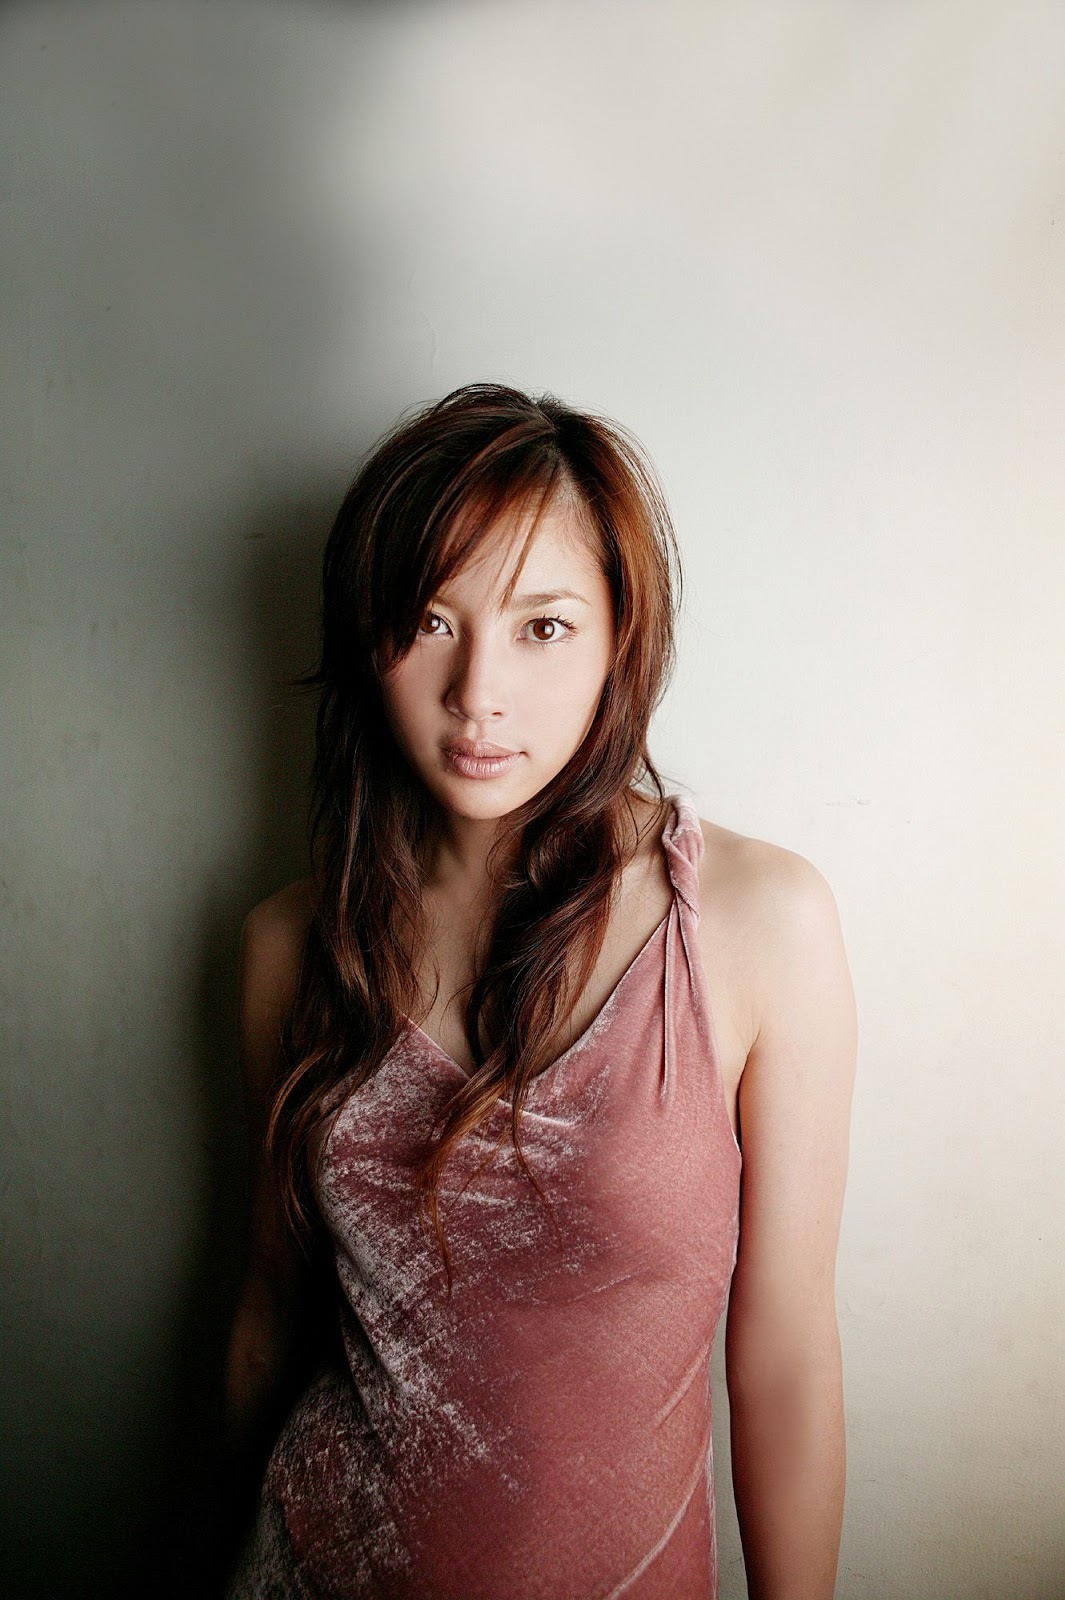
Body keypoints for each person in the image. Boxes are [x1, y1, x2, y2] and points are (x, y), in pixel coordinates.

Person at [222, 383, 857, 1600]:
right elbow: (269, 1307)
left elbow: (785, 1355)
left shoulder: (756, 923)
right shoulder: (288, 946)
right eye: (431, 620)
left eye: (544, 626)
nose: (479, 694)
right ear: (369, 637)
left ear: (622, 636)